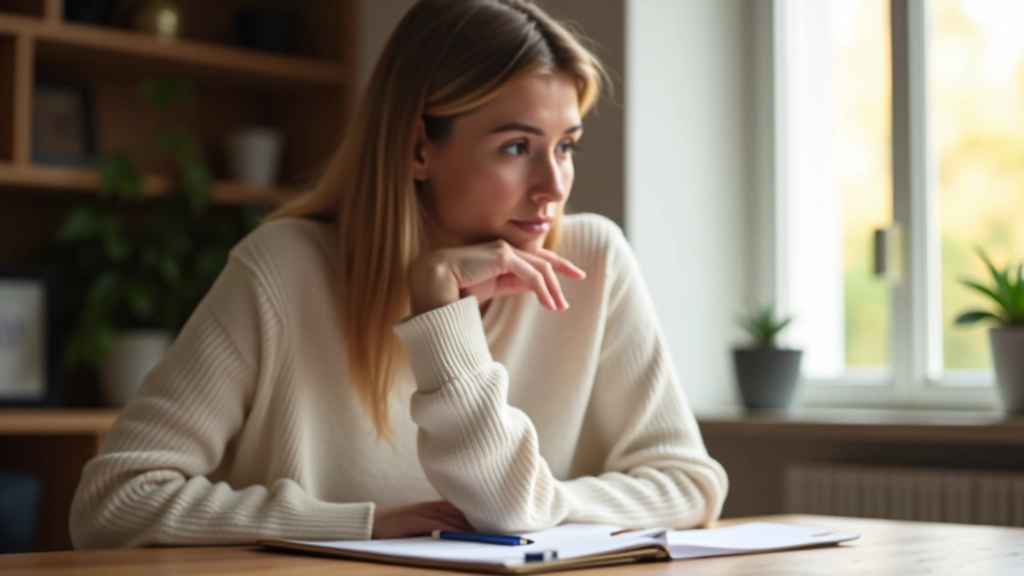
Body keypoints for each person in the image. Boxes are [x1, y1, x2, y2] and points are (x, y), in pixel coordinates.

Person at [69, 0, 728, 549]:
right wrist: (357, 527)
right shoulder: (283, 269)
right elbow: (113, 503)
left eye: (565, 146)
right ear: (419, 148)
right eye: (516, 148)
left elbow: (689, 484)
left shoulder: (594, 260)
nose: (553, 185)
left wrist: (543, 506)